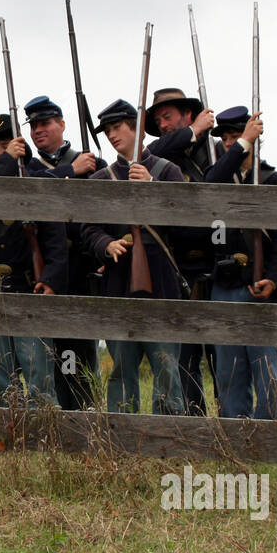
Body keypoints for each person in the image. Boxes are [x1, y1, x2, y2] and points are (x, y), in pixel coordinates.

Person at [80, 99, 186, 415]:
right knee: (121, 368)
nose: (112, 135)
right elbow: (88, 228)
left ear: (136, 127)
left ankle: (170, 433)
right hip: (119, 278)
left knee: (166, 366)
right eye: (108, 130)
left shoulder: (168, 171)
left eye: (118, 127)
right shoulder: (101, 179)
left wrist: (153, 188)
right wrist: (105, 244)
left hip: (161, 280)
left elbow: (183, 225)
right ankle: (120, 433)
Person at [202, 106, 277, 420]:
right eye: (227, 139)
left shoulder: (275, 182)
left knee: (267, 369)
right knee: (229, 371)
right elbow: (209, 185)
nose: (231, 143)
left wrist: (273, 278)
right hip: (225, 285)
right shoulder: (219, 179)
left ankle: (270, 434)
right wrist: (243, 142)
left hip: (261, 288)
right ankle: (235, 434)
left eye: (237, 137)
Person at [0, 113, 67, 407]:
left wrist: (50, 279)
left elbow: (55, 240)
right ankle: (3, 432)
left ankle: (42, 428)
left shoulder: (39, 182)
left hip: (28, 284)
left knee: (37, 366)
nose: (0, 152)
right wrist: (6, 161)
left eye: (6, 146)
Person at [145, 87, 224, 415]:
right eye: (159, 119)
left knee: (221, 353)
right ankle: (192, 421)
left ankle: (232, 418)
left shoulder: (217, 150)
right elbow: (153, 147)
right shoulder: (160, 155)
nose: (163, 124)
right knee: (185, 356)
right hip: (179, 265)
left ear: (187, 114)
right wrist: (192, 132)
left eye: (169, 117)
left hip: (218, 262)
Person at [19, 95, 102, 409]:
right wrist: (69, 171)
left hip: (81, 267)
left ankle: (81, 406)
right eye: (34, 126)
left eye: (45, 123)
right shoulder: (29, 167)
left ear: (62, 124)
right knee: (51, 349)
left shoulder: (91, 162)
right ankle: (60, 408)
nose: (38, 130)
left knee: (79, 347)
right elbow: (30, 188)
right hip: (46, 271)